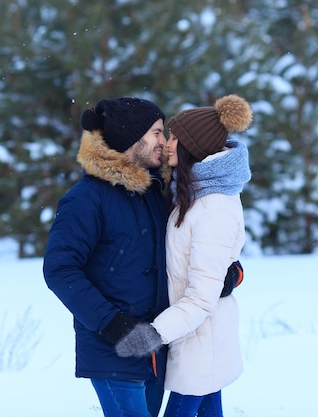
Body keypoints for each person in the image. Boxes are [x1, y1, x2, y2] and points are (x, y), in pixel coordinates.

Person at [114, 94, 253, 417]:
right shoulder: (190, 195)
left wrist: (151, 334)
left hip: (201, 340)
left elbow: (201, 298)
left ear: (196, 146)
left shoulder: (212, 207)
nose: (168, 144)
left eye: (176, 137)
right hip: (194, 336)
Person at [42, 97, 172, 417]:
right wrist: (113, 325)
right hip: (113, 347)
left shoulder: (155, 193)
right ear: (132, 137)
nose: (164, 142)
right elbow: (59, 269)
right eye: (156, 133)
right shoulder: (86, 199)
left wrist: (223, 273)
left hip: (155, 346)